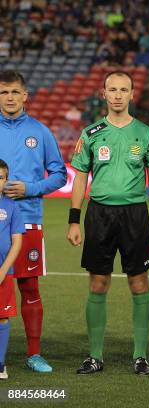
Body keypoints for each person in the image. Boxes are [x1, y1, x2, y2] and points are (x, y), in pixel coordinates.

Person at [67, 71, 149, 375]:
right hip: (100, 214)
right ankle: (95, 355)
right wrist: (74, 220)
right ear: (104, 94)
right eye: (113, 90)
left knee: (139, 283)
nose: (118, 95)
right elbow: (81, 177)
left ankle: (140, 355)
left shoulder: (146, 133)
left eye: (124, 90)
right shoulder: (91, 133)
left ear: (132, 94)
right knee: (98, 283)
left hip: (135, 214)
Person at [0, 70, 67, 373]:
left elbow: (59, 175)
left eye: (15, 92)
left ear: (25, 95)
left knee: (28, 286)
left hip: (27, 220)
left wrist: (31, 188)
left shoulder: (40, 132)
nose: (10, 98)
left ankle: (33, 353)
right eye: (4, 92)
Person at [0, 160, 25, 380]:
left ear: (6, 180)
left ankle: (0, 363)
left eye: (0, 178)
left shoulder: (11, 206)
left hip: (3, 273)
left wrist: (3, 270)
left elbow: (16, 242)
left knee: (2, 318)